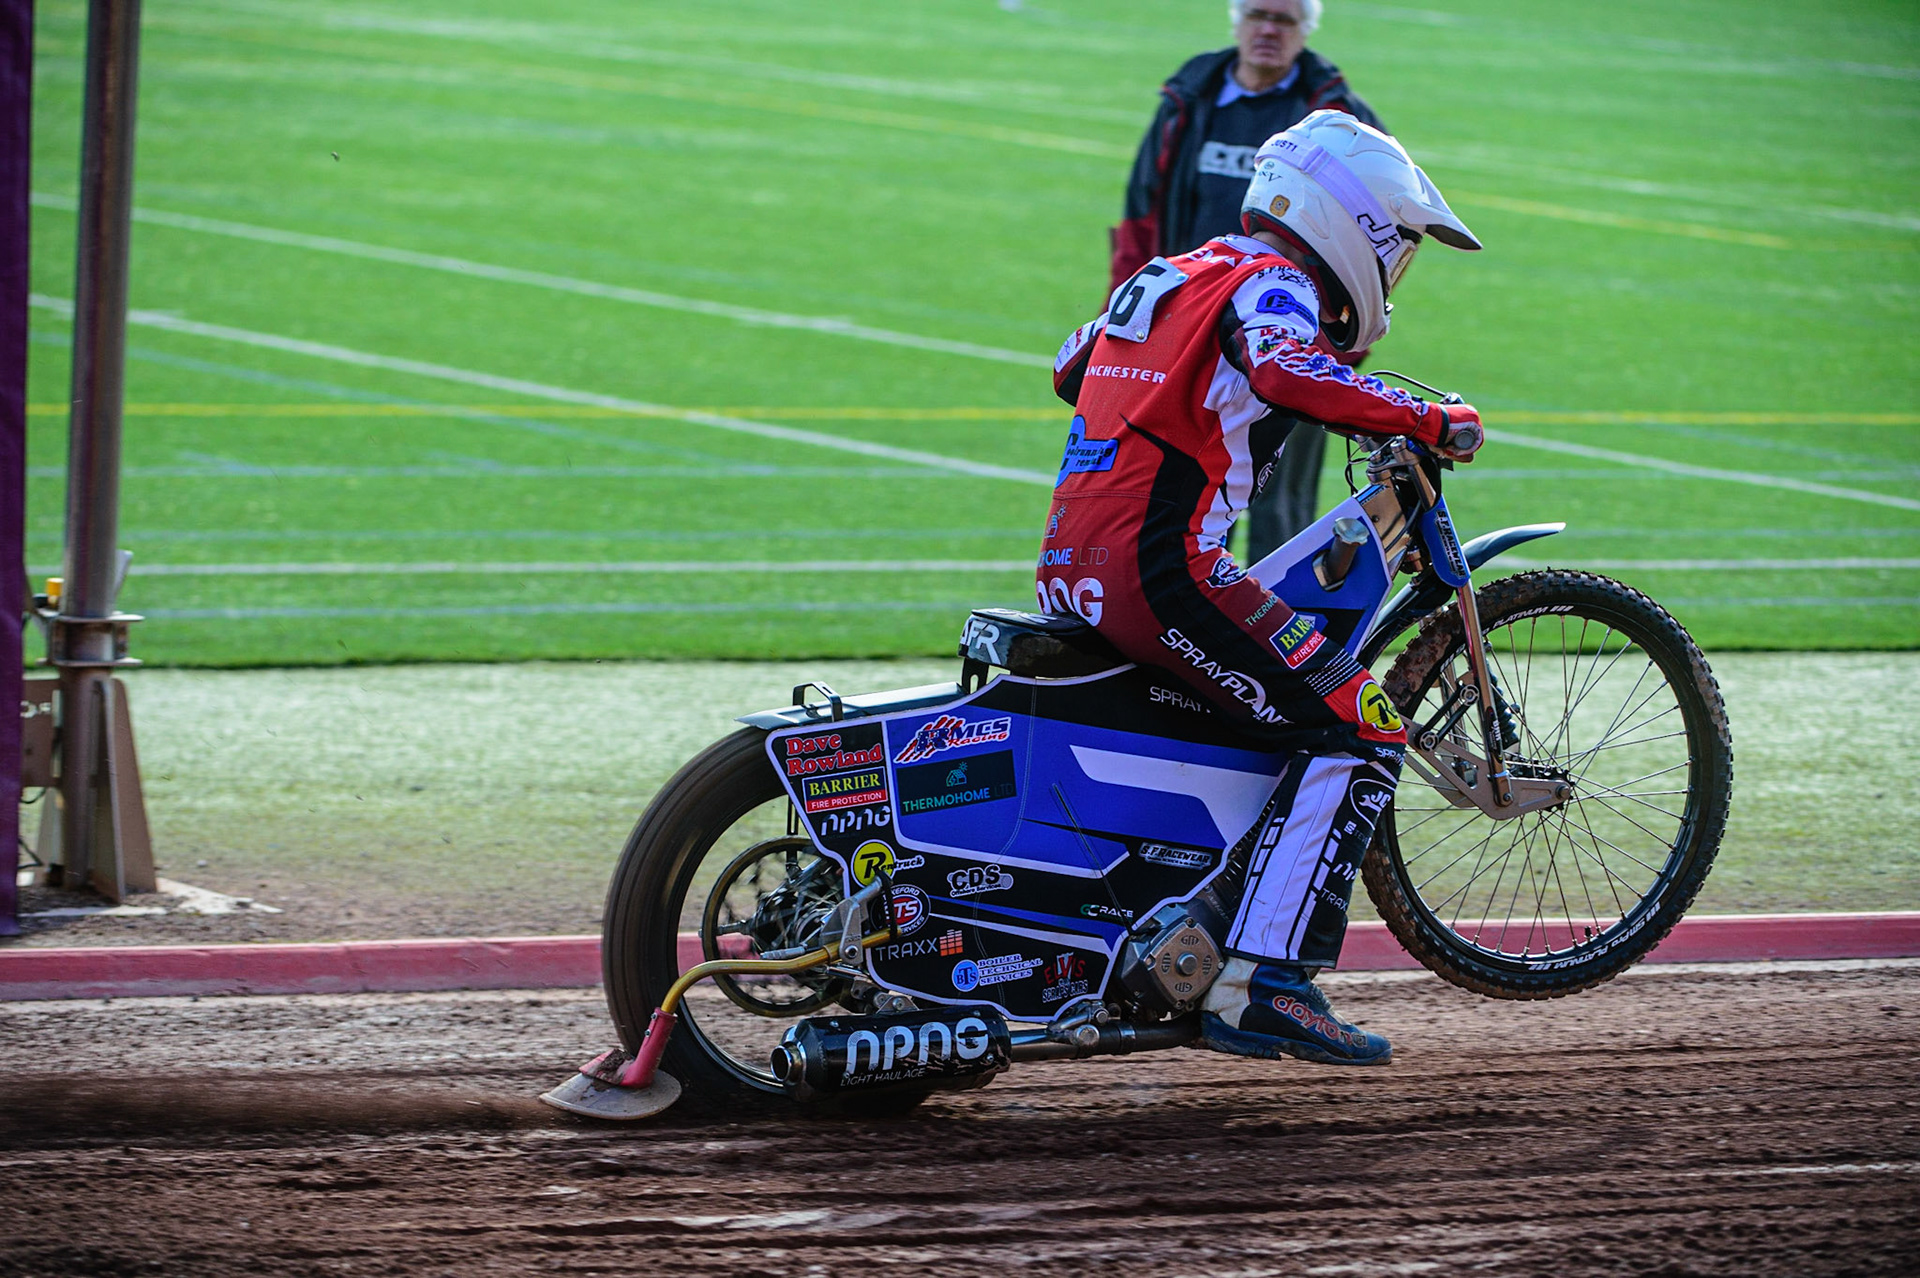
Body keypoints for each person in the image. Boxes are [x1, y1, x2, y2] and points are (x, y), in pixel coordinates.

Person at [1041, 111, 1485, 1065]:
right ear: (1353, 224)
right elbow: (1286, 369)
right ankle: (1263, 986)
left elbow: (1072, 365)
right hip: (1163, 573)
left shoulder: (1181, 272)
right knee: (1361, 720)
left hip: (1071, 565)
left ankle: (1178, 921)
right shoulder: (1275, 282)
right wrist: (1427, 416)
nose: (1396, 275)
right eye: (1398, 250)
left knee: (1258, 704)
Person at [1110, 0, 1385, 568]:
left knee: (1280, 509)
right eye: (1258, 15)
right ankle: (1182, 628)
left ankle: (1273, 637)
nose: (1268, 30)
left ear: (1305, 32)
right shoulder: (1189, 103)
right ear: (1235, 21)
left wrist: (1342, 345)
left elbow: (1378, 238)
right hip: (1188, 343)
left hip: (1293, 342)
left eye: (1284, 21)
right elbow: (1142, 217)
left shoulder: (1337, 120)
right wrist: (1129, 318)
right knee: (1180, 493)